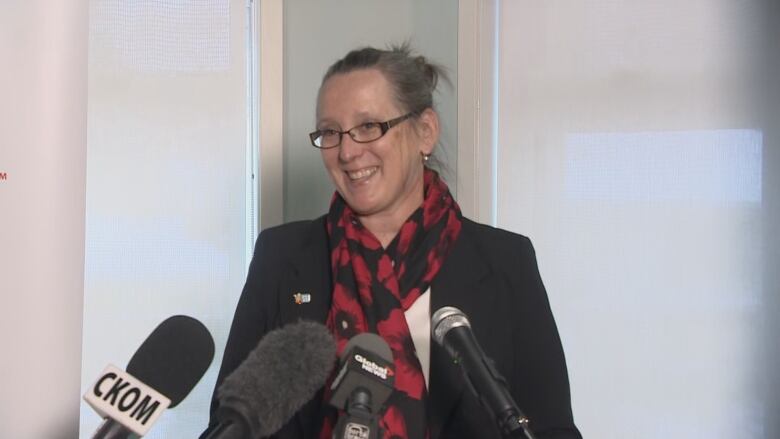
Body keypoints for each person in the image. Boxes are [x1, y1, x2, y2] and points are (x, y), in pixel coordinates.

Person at [202, 44, 582, 439]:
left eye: (369, 126)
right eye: (330, 132)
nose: (347, 151)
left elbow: (552, 427)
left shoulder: (505, 262)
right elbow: (229, 423)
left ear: (425, 132)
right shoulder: (281, 257)